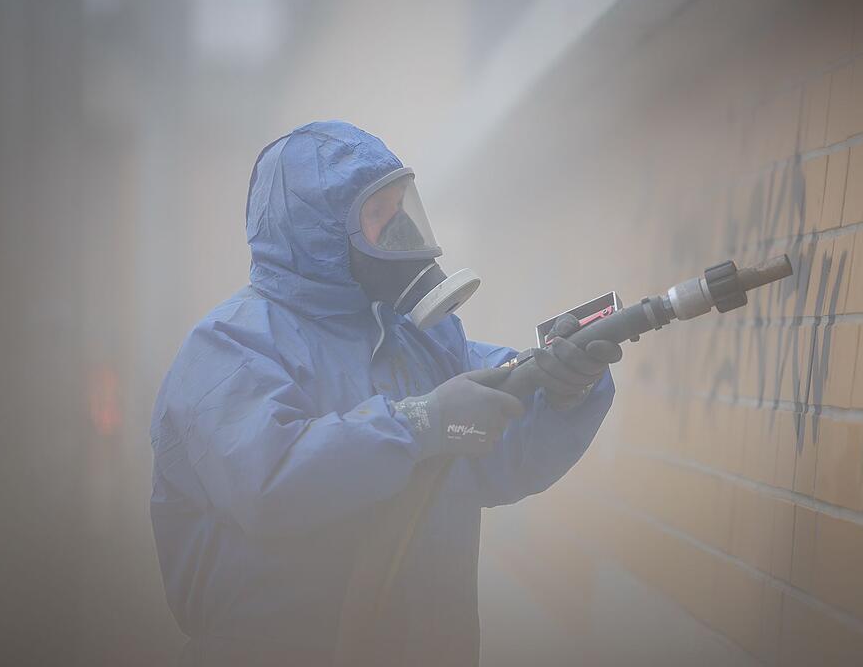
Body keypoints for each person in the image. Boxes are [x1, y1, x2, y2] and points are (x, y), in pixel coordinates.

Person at [149, 121, 622, 666]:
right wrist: (419, 424)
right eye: (377, 215)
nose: (398, 230)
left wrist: (564, 385)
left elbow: (500, 438)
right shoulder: (230, 346)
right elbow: (272, 484)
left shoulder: (418, 338)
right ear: (317, 232)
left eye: (401, 208)